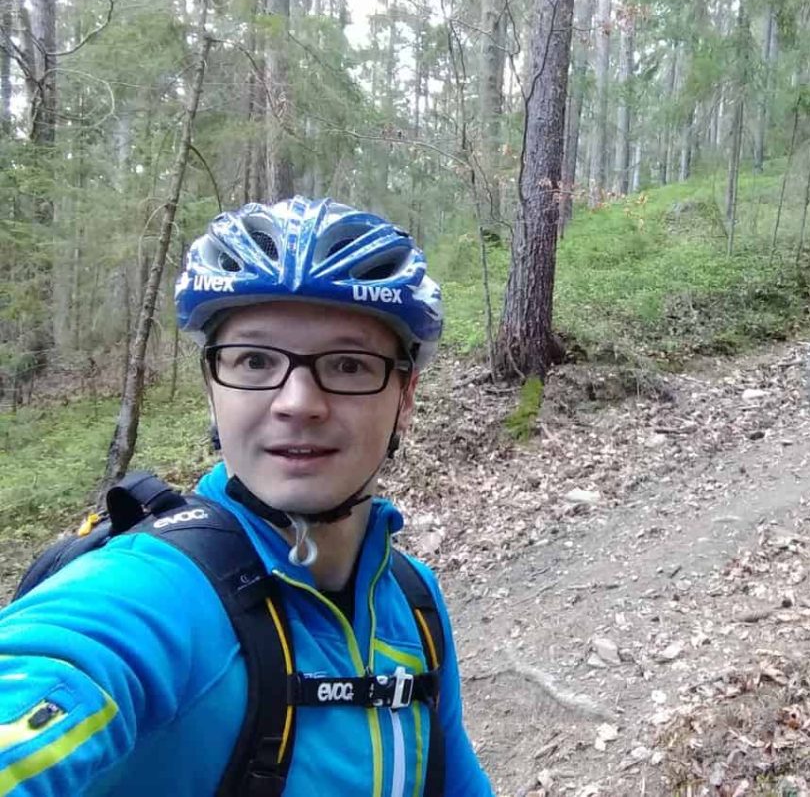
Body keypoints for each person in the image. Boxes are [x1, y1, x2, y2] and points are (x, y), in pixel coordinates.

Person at [0, 198, 494, 796]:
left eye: (348, 364)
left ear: (405, 397)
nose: (298, 403)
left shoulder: (413, 603)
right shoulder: (155, 591)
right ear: (213, 390)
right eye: (255, 360)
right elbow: (58, 659)